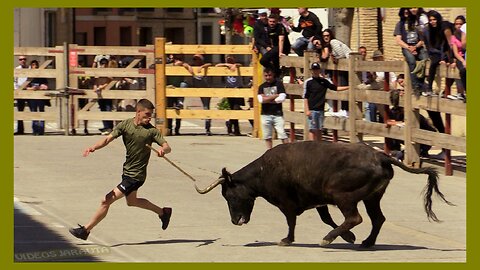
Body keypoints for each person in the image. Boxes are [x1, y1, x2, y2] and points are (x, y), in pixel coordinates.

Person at [69, 99, 172, 241]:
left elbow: (167, 146)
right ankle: (163, 212)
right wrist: (93, 147)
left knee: (106, 200)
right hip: (127, 172)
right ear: (138, 112)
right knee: (132, 202)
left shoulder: (151, 131)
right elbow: (107, 139)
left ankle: (85, 230)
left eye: (151, 115)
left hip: (136, 176)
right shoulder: (125, 125)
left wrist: (163, 150)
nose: (149, 118)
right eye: (147, 115)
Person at [385, 75, 438, 160]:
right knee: (396, 129)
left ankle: (421, 150)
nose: (401, 91)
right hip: (407, 132)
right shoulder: (395, 110)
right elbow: (387, 122)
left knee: (417, 127)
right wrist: (397, 123)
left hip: (423, 136)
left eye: (402, 90)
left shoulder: (414, 87)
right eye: (399, 90)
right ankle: (397, 150)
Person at [303, 62, 348, 141]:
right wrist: (307, 110)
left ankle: (319, 146)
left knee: (320, 129)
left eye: (317, 69)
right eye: (314, 70)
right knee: (312, 129)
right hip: (312, 109)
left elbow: (335, 88)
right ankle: (311, 146)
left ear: (319, 70)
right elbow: (305, 97)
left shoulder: (324, 81)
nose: (315, 71)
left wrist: (348, 87)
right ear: (311, 71)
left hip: (320, 108)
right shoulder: (308, 82)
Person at [394, 8, 428, 93]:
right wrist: (409, 47)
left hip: (417, 46)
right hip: (406, 47)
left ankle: (421, 83)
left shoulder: (416, 24)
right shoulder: (400, 24)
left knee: (424, 59)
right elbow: (398, 40)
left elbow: (422, 39)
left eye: (407, 12)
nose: (406, 14)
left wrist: (415, 47)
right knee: (412, 61)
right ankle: (415, 85)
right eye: (404, 12)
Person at [423, 10, 454, 97]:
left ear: (438, 19)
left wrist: (447, 58)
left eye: (434, 19)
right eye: (431, 20)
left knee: (454, 68)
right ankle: (429, 88)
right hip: (440, 52)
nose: (432, 22)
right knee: (433, 63)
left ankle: (446, 91)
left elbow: (450, 43)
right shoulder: (431, 29)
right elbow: (434, 45)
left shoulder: (445, 27)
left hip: (450, 50)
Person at [258, 68, 288, 149]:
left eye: (270, 75)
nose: (268, 77)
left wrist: (267, 98)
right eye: (266, 76)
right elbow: (261, 100)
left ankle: (287, 150)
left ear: (273, 75)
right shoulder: (261, 86)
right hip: (265, 114)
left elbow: (281, 98)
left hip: (277, 114)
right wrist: (275, 96)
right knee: (267, 135)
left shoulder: (279, 84)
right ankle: (269, 151)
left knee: (282, 133)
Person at [183, 54, 213, 135]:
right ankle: (180, 102)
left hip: (205, 89)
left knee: (206, 108)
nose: (196, 61)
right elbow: (183, 64)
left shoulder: (206, 66)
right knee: (183, 84)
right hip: (194, 87)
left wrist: (202, 67)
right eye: (195, 59)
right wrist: (189, 67)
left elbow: (210, 64)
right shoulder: (192, 65)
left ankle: (208, 129)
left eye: (198, 59)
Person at [216, 55, 245, 136]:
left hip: (238, 90)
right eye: (228, 60)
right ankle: (234, 129)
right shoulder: (225, 68)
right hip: (229, 91)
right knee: (233, 109)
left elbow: (240, 65)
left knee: (236, 109)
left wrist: (234, 65)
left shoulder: (238, 66)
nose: (229, 61)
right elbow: (216, 66)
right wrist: (227, 65)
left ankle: (230, 125)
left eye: (231, 60)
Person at [26, 60, 49, 135]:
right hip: (32, 97)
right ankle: (35, 130)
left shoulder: (42, 76)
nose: (34, 66)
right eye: (33, 65)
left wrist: (39, 87)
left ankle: (41, 130)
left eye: (35, 65)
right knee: (33, 112)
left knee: (41, 111)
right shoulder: (29, 76)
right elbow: (26, 87)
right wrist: (32, 88)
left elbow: (46, 86)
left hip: (40, 97)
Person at [166, 54, 186, 135]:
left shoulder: (183, 66)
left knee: (179, 110)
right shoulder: (168, 66)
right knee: (169, 109)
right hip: (170, 90)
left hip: (179, 90)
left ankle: (177, 129)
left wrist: (185, 65)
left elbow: (189, 67)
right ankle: (169, 129)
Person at [448, 15, 466, 101]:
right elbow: (455, 52)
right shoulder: (454, 37)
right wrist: (462, 60)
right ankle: (464, 92)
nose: (458, 26)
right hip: (460, 57)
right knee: (462, 71)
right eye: (456, 24)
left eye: (461, 24)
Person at [94, 57, 114, 135]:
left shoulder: (108, 71)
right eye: (102, 64)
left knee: (108, 109)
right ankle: (105, 126)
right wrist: (95, 87)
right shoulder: (98, 71)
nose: (103, 65)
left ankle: (109, 127)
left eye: (104, 64)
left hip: (107, 93)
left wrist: (101, 87)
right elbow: (96, 80)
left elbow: (110, 81)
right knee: (102, 109)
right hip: (100, 93)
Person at [14, 55, 29, 135]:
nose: (22, 60)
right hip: (20, 92)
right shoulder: (17, 69)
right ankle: (20, 130)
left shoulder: (30, 69)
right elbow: (14, 81)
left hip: (30, 92)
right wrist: (16, 90)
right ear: (19, 60)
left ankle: (37, 129)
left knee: (33, 110)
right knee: (20, 110)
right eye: (21, 59)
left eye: (24, 59)